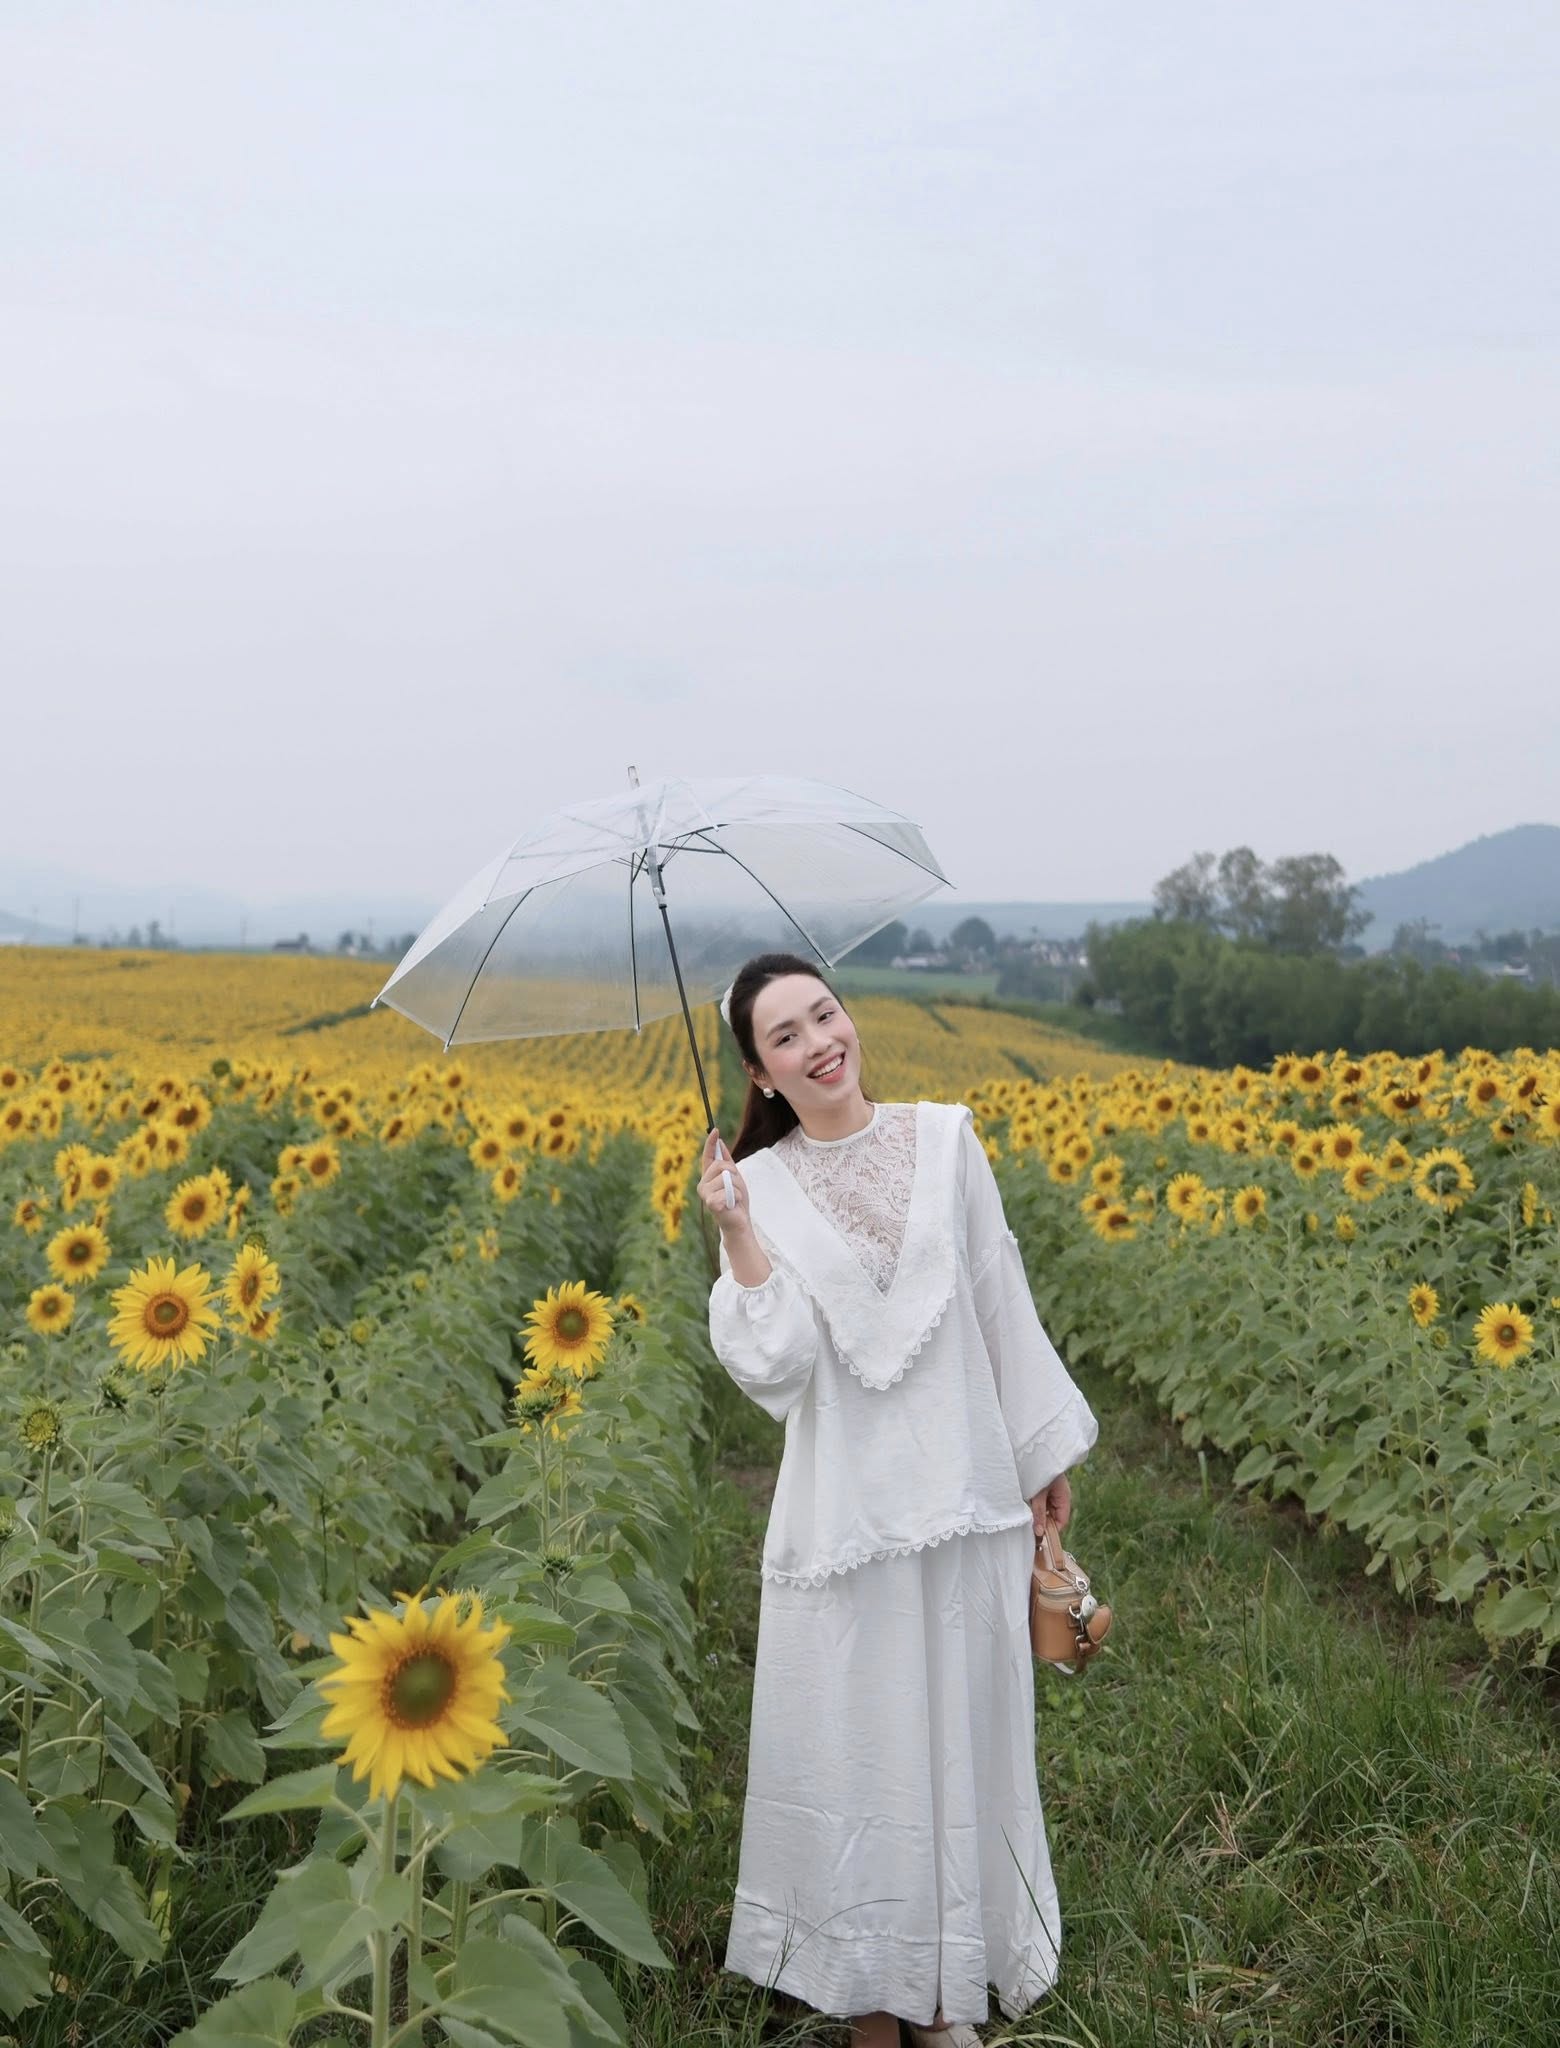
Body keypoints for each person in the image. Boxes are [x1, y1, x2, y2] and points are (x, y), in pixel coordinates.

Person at [698, 951, 1100, 2048]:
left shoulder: (948, 1138)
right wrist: (736, 1231)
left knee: (962, 1738)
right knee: (861, 1752)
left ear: (849, 1018)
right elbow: (776, 1369)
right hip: (849, 1516)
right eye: (785, 1036)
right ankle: (874, 1992)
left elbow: (997, 1296)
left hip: (966, 1492)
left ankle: (949, 1990)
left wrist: (1039, 1453)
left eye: (824, 1014)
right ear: (760, 1071)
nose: (818, 1043)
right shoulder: (758, 1188)